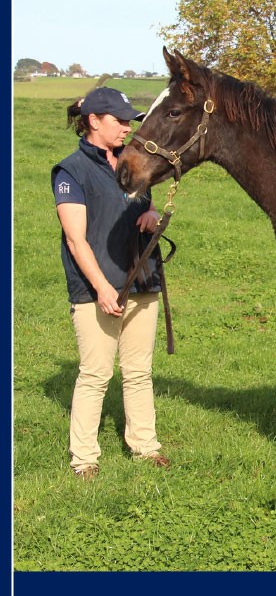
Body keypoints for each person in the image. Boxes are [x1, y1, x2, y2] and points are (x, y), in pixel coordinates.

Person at [52, 87, 169, 479]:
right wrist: (102, 287)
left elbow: (148, 204)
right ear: (93, 120)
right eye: (119, 120)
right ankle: (84, 459)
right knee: (96, 374)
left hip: (142, 280)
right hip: (97, 290)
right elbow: (75, 240)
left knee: (139, 371)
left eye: (128, 120)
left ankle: (145, 446)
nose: (127, 127)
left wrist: (152, 215)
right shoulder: (71, 171)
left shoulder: (133, 162)